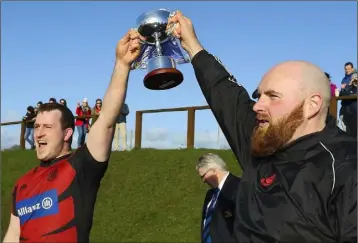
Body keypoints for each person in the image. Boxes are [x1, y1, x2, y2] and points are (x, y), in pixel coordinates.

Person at [167, 11, 357, 242]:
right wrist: (192, 45)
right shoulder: (264, 142)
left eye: (273, 96)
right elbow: (226, 95)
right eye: (259, 96)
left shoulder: (347, 167)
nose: (258, 105)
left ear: (312, 105)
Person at [3, 29, 143, 243]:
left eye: (47, 127)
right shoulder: (22, 183)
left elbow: (106, 119)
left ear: (67, 133)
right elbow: (13, 234)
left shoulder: (81, 166)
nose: (39, 132)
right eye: (37, 126)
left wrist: (122, 65)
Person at [196, 153, 240, 243]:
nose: (203, 181)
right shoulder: (210, 195)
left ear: (214, 171)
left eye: (203, 176)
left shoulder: (240, 188)